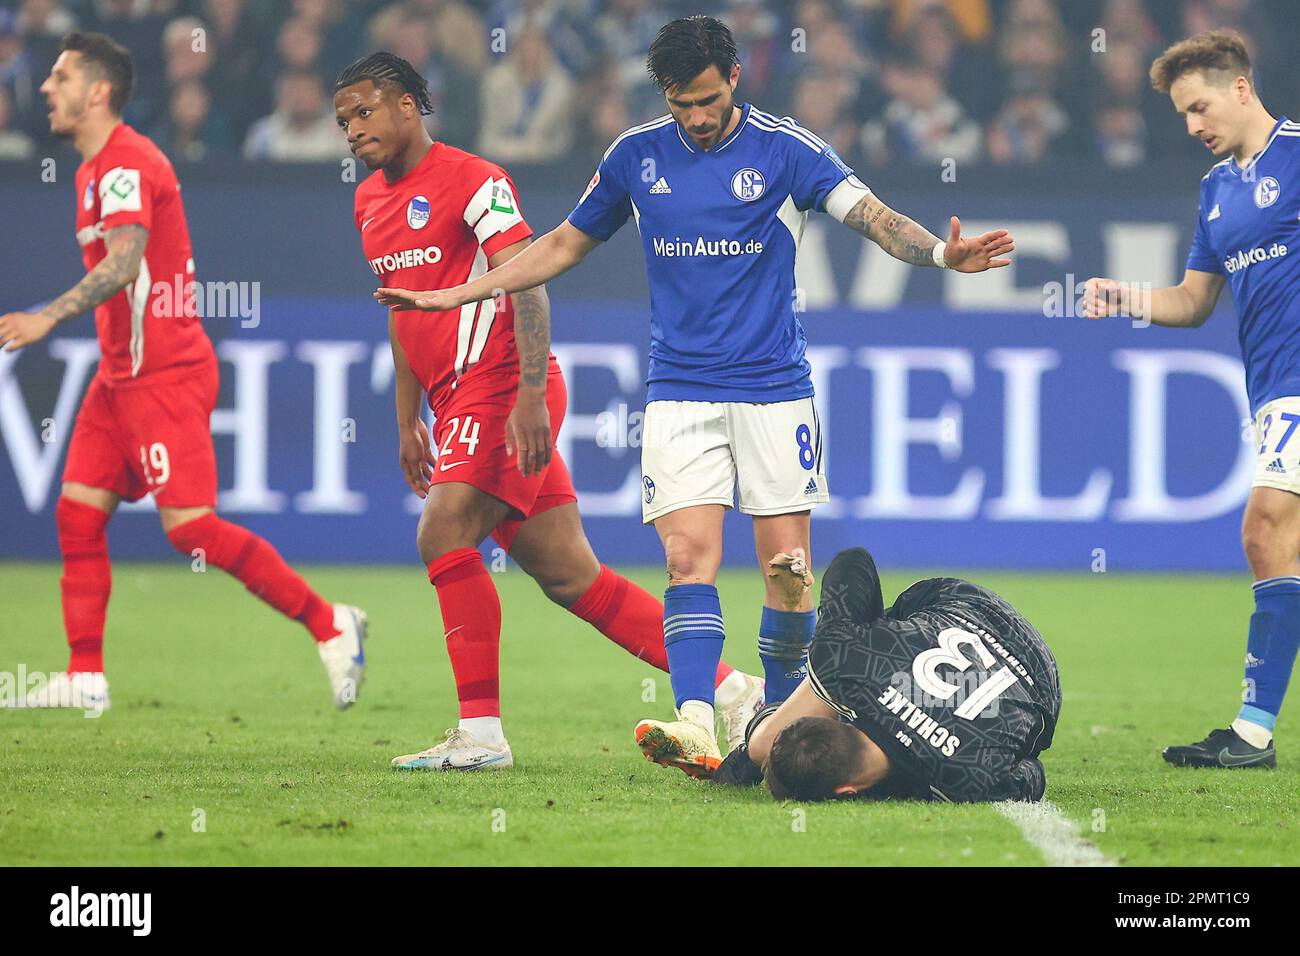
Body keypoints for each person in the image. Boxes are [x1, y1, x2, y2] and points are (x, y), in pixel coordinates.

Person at [373, 15, 1016, 776]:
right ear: (665, 96)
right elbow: (559, 246)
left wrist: (943, 253)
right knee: (686, 558)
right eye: (682, 104)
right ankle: (697, 724)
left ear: (735, 79)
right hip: (680, 392)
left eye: (709, 99)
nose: (699, 117)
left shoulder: (788, 150)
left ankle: (774, 728)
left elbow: (871, 217)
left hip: (775, 392)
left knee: (786, 571)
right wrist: (465, 293)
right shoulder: (635, 158)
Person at [333, 51, 762, 771]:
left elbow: (529, 281)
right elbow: (402, 312)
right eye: (343, 118)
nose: (352, 128)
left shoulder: (476, 180)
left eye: (364, 110)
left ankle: (481, 736)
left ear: (409, 105)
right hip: (453, 397)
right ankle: (738, 692)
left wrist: (531, 393)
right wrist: (408, 417)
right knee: (573, 577)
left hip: (503, 383)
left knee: (442, 534)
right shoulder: (368, 200)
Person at [0, 32, 366, 713]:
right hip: (119, 378)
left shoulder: (125, 165)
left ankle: (330, 622)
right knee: (78, 515)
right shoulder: (89, 171)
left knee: (192, 529)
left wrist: (48, 317)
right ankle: (84, 676)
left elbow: (125, 262)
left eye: (60, 76)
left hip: (165, 372)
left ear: (98, 91)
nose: (45, 88)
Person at [1084, 30, 1298, 769]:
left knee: (1265, 529)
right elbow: (1193, 301)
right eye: (1182, 115)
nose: (1193, 127)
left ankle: (1252, 733)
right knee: (1273, 537)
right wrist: (1124, 298)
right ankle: (1253, 731)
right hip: (1271, 387)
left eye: (1200, 107)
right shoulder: (1215, 192)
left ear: (1241, 89)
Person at [714, 547, 1061, 803]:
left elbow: (1031, 773)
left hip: (1040, 679)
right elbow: (853, 561)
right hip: (965, 606)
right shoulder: (841, 659)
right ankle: (787, 716)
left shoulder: (969, 780)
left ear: (847, 791)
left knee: (834, 666)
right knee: (839, 658)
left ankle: (764, 735)